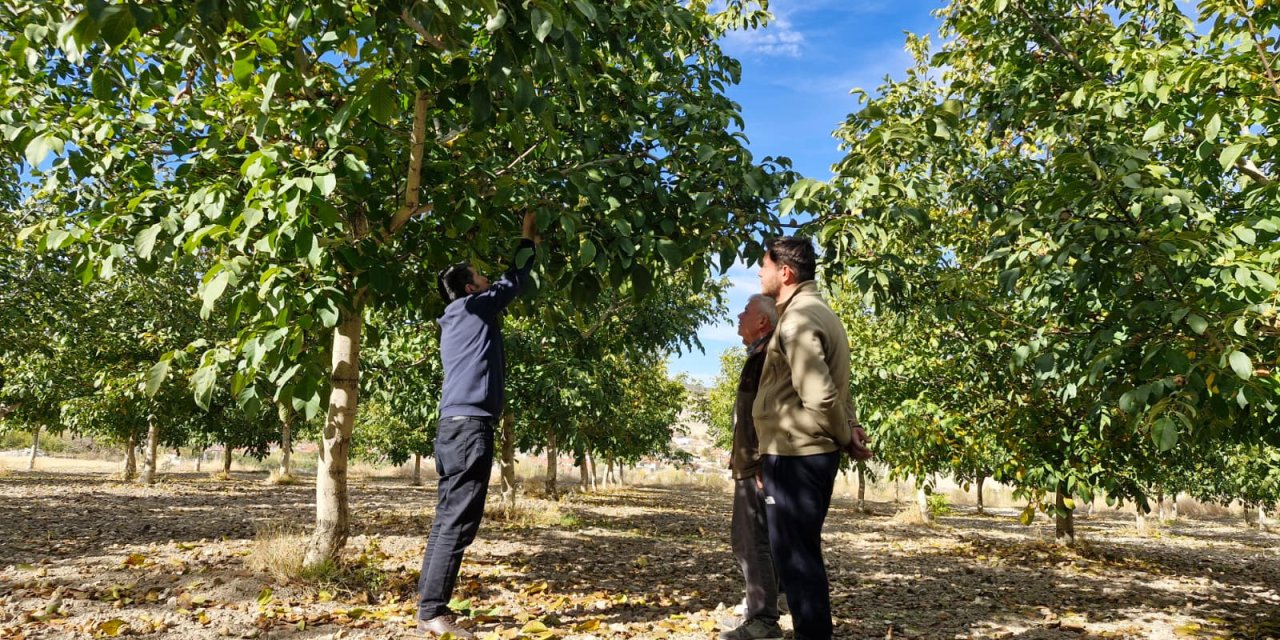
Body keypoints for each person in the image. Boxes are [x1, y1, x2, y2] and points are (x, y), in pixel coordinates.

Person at [416, 212, 540, 639]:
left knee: (447, 520)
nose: (487, 280)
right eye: (480, 275)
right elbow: (514, 280)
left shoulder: (455, 318)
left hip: (454, 426)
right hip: (469, 429)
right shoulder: (473, 306)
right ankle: (432, 613)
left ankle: (429, 608)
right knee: (457, 523)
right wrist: (528, 240)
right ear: (471, 288)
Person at [752, 236, 872, 640]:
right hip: (798, 453)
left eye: (763, 265)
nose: (758, 273)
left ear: (784, 272)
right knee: (798, 554)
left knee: (796, 558)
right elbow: (838, 386)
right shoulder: (817, 311)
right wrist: (849, 425)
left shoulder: (800, 318)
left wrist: (844, 436)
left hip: (797, 455)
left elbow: (820, 395)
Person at [721, 294, 785, 640]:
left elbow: (771, 413)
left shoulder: (768, 358)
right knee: (756, 540)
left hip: (758, 467)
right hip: (751, 462)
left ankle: (763, 621)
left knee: (751, 541)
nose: (739, 315)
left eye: (746, 310)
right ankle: (759, 611)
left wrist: (760, 460)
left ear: (763, 321)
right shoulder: (757, 356)